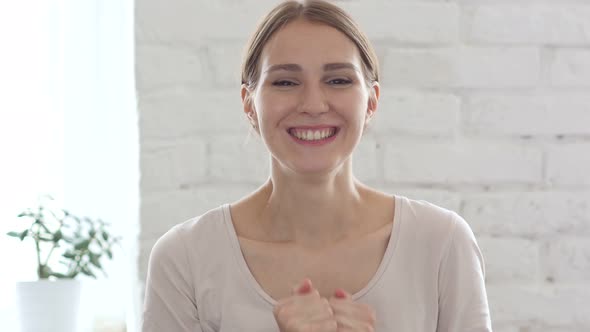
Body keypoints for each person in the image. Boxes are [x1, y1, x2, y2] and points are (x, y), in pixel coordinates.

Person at [141, 0, 492, 331]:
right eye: (285, 82)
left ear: (371, 101)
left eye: (338, 80)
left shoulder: (442, 245)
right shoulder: (184, 259)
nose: (312, 104)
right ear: (249, 104)